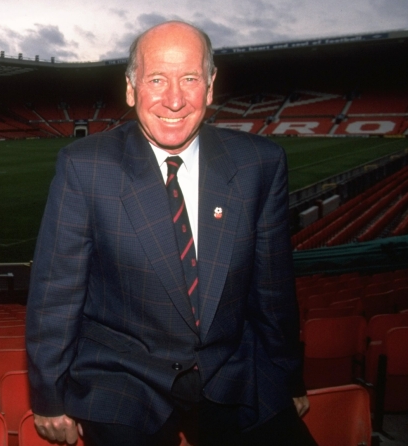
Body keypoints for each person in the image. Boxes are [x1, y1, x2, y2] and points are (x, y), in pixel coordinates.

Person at [25, 21, 315, 446]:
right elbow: (56, 293)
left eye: (190, 79)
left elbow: (273, 290)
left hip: (232, 367)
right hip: (123, 375)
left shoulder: (260, 164)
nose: (174, 99)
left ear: (211, 86)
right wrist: (48, 395)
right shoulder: (84, 167)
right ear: (131, 88)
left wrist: (288, 377)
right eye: (157, 79)